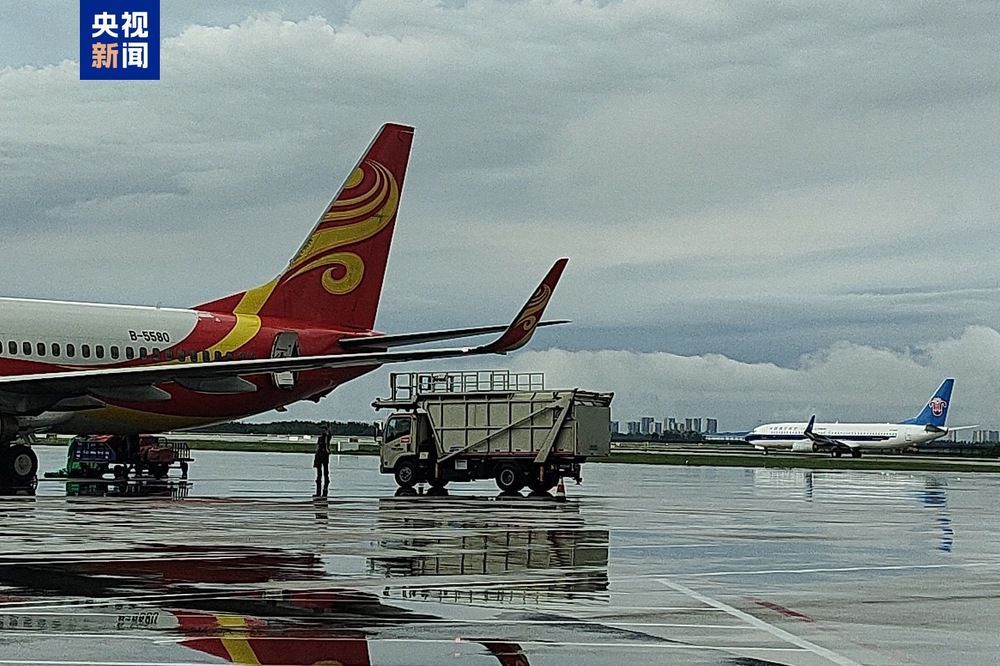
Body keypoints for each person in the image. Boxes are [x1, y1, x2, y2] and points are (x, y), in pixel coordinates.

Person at [314, 424, 331, 495]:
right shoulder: (320, 438)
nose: (322, 430)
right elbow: (318, 446)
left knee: (325, 469)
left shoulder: (327, 437)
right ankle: (318, 479)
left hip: (324, 455)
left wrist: (328, 431)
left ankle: (326, 480)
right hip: (319, 454)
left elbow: (329, 435)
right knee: (319, 469)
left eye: (324, 429)